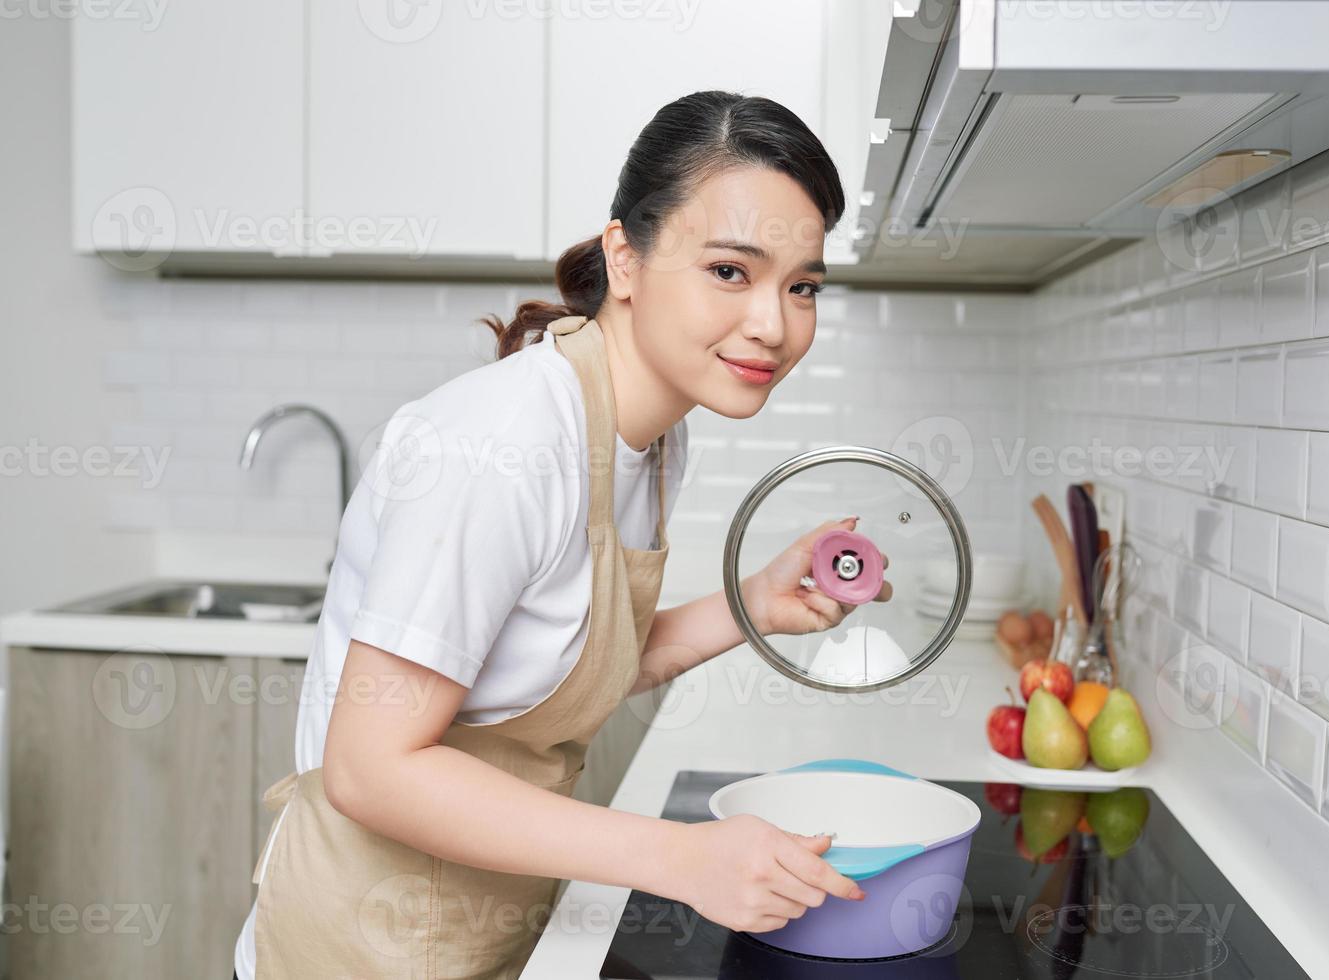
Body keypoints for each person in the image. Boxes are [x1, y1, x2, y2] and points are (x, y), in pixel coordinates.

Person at [233, 89, 889, 980]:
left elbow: (560, 669)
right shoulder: (502, 444)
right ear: (625, 256)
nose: (774, 325)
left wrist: (753, 605)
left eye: (801, 285)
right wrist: (682, 857)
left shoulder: (652, 437)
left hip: (492, 925)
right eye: (730, 271)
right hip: (365, 946)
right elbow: (369, 769)